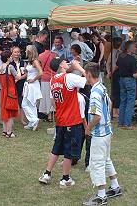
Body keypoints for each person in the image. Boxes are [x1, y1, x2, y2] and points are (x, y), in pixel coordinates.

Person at [38, 56, 86, 188]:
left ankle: (47, 174)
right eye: (65, 61)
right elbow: (89, 79)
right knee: (68, 151)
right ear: (61, 65)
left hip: (60, 119)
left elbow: (54, 101)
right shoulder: (69, 78)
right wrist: (79, 67)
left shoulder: (54, 79)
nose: (67, 62)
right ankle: (65, 178)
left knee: (56, 148)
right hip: (71, 120)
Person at [83, 63, 122, 206]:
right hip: (107, 131)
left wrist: (88, 128)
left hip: (99, 134)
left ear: (88, 74)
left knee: (97, 163)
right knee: (106, 159)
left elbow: (97, 116)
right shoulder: (102, 87)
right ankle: (115, 186)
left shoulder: (94, 93)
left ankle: (101, 196)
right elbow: (110, 103)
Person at [117, 41, 137, 130]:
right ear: (129, 48)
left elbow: (117, 65)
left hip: (121, 80)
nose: (135, 48)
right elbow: (134, 75)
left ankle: (120, 122)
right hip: (129, 80)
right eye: (134, 47)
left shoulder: (121, 57)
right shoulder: (132, 59)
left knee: (123, 100)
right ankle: (127, 124)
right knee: (130, 101)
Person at [0, 50, 20, 138]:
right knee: (10, 112)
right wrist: (18, 67)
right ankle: (9, 132)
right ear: (8, 58)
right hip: (10, 91)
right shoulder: (10, 67)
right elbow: (18, 76)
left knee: (4, 111)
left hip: (3, 91)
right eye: (10, 56)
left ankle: (4, 131)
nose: (12, 57)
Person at [22, 45, 43, 130]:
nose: (25, 52)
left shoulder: (35, 61)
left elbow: (41, 72)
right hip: (29, 84)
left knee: (25, 104)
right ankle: (32, 123)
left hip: (32, 84)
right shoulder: (30, 61)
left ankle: (34, 120)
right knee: (31, 104)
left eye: (27, 50)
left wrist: (34, 79)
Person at [39, 46, 58, 122]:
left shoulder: (40, 55)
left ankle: (48, 114)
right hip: (53, 77)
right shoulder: (55, 55)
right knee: (52, 96)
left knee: (46, 97)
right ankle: (51, 114)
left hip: (44, 77)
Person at [107, 37, 123, 119]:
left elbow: (108, 63)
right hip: (117, 74)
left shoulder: (112, 52)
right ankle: (115, 112)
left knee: (114, 92)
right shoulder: (119, 53)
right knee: (117, 93)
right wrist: (112, 71)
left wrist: (108, 72)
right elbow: (117, 65)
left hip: (113, 75)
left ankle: (114, 111)